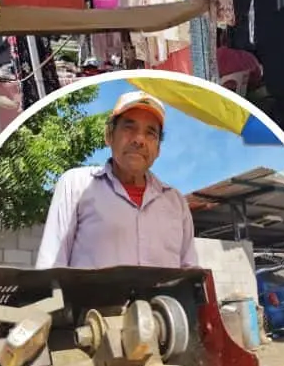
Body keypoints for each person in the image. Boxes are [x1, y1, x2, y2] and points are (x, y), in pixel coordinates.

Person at [34, 90, 199, 270]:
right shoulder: (75, 185)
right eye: (129, 127)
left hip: (162, 300)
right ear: (109, 136)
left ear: (158, 149)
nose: (139, 140)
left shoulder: (176, 202)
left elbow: (190, 272)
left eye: (150, 133)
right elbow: (50, 266)